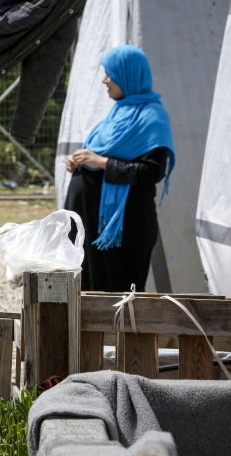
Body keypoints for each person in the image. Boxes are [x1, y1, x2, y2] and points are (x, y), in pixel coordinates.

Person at [64, 45, 175, 292]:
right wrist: (80, 163)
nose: (105, 80)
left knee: (117, 298)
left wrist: (101, 163)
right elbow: (99, 157)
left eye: (110, 74)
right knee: (85, 295)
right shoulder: (118, 113)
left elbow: (152, 171)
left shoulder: (152, 116)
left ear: (128, 74)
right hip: (90, 222)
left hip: (124, 230)